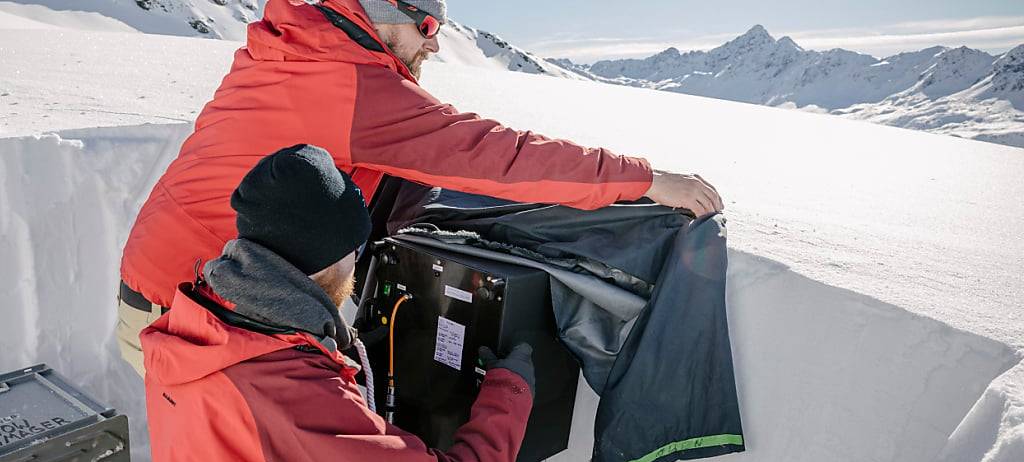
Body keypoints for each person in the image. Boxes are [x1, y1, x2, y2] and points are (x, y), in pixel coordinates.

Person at [117, 0, 723, 376]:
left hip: (166, 282)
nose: (435, 42)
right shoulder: (351, 86)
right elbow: (497, 156)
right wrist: (647, 180)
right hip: (198, 303)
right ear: (383, 11)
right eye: (429, 23)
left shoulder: (292, 49)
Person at [142, 144, 537, 462]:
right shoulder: (286, 393)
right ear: (329, 260)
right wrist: (509, 393)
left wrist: (338, 351)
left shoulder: (199, 322)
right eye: (354, 249)